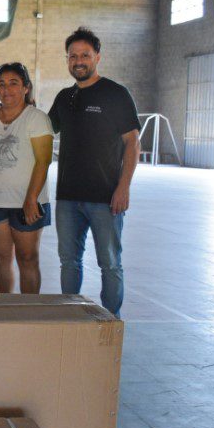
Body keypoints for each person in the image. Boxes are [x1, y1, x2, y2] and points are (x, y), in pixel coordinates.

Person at [48, 27, 140, 317]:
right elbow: (41, 129)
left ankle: (110, 321)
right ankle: (71, 317)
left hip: (105, 197)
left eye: (85, 55)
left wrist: (123, 188)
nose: (79, 61)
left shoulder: (116, 94)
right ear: (68, 60)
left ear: (97, 57)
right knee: (69, 263)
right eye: (73, 56)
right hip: (68, 199)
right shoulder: (64, 98)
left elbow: (132, 143)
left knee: (110, 263)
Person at [0, 62, 53, 294]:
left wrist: (31, 199)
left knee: (27, 259)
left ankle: (29, 313)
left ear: (26, 88)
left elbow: (43, 161)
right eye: (1, 84)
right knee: (1, 260)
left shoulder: (37, 119)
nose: (6, 89)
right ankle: (5, 310)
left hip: (26, 203)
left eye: (13, 83)